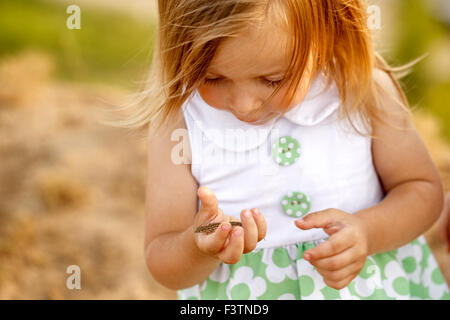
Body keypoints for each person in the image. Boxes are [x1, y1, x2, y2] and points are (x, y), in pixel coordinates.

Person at [117, 0, 450, 299]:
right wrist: (200, 242)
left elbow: (422, 191)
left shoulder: (362, 91)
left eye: (273, 79)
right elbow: (162, 255)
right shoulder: (181, 122)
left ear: (324, 33)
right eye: (213, 77)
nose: (244, 105)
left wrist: (369, 232)